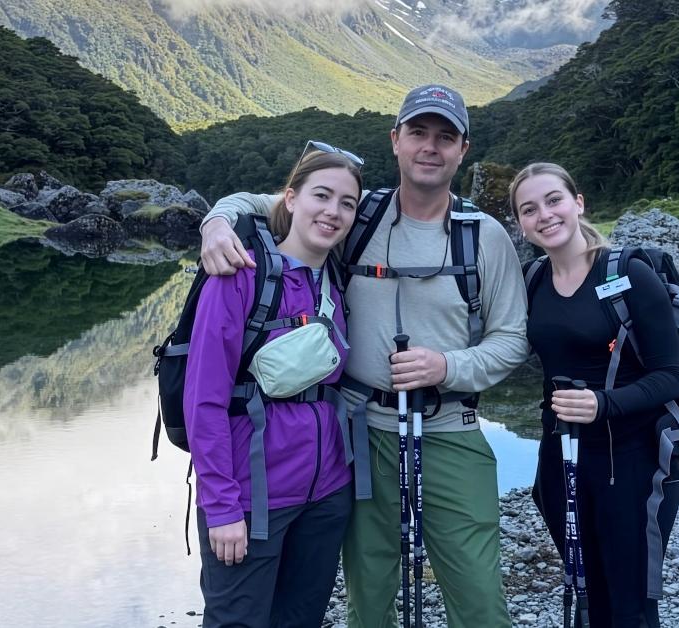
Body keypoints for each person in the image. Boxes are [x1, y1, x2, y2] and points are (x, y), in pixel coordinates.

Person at [198, 85, 528, 628]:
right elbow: (264, 203)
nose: (430, 147)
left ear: (462, 150)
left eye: (445, 137)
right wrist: (215, 221)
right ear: (395, 140)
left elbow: (512, 338)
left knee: (479, 596)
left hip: (450, 430)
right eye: (418, 133)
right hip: (357, 436)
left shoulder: (483, 237)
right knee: (368, 595)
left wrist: (449, 367)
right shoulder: (357, 213)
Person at [184, 145, 363, 627]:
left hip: (327, 497)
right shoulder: (239, 275)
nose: (333, 211)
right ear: (289, 198)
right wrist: (220, 507)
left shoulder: (339, 280)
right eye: (321, 196)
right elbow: (203, 401)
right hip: (251, 497)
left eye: (347, 203)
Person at [511, 162, 679, 627]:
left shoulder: (629, 274)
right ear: (521, 223)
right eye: (529, 209)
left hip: (631, 460)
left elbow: (671, 376)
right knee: (585, 591)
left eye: (553, 200)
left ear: (578, 202)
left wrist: (602, 404)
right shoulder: (531, 281)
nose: (545, 215)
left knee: (630, 604)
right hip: (559, 456)